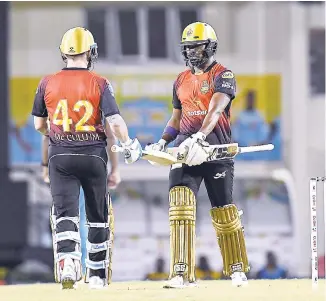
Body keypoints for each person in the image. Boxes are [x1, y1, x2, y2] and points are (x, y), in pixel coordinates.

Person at [31, 27, 142, 289]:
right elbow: (114, 122)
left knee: (65, 214)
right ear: (91, 52)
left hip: (60, 155)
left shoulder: (46, 82)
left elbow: (38, 126)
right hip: (93, 155)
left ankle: (69, 262)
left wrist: (59, 135)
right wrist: (129, 145)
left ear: (63, 53)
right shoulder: (100, 82)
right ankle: (96, 274)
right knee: (97, 216)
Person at [146, 22, 250, 288]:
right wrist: (163, 141)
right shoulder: (180, 80)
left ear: (211, 45)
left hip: (214, 151)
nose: (192, 51)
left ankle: (237, 268)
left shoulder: (223, 75)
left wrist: (199, 138)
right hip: (184, 152)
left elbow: (215, 111)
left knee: (224, 211)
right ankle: (181, 272)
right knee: (179, 208)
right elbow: (176, 116)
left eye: (197, 45)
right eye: (188, 47)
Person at [41, 123, 121, 275]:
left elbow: (45, 133)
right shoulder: (97, 99)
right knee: (92, 220)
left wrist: (45, 166)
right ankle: (91, 270)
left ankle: (69, 263)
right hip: (91, 160)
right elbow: (111, 135)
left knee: (66, 216)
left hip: (62, 162)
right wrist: (115, 169)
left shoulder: (58, 100)